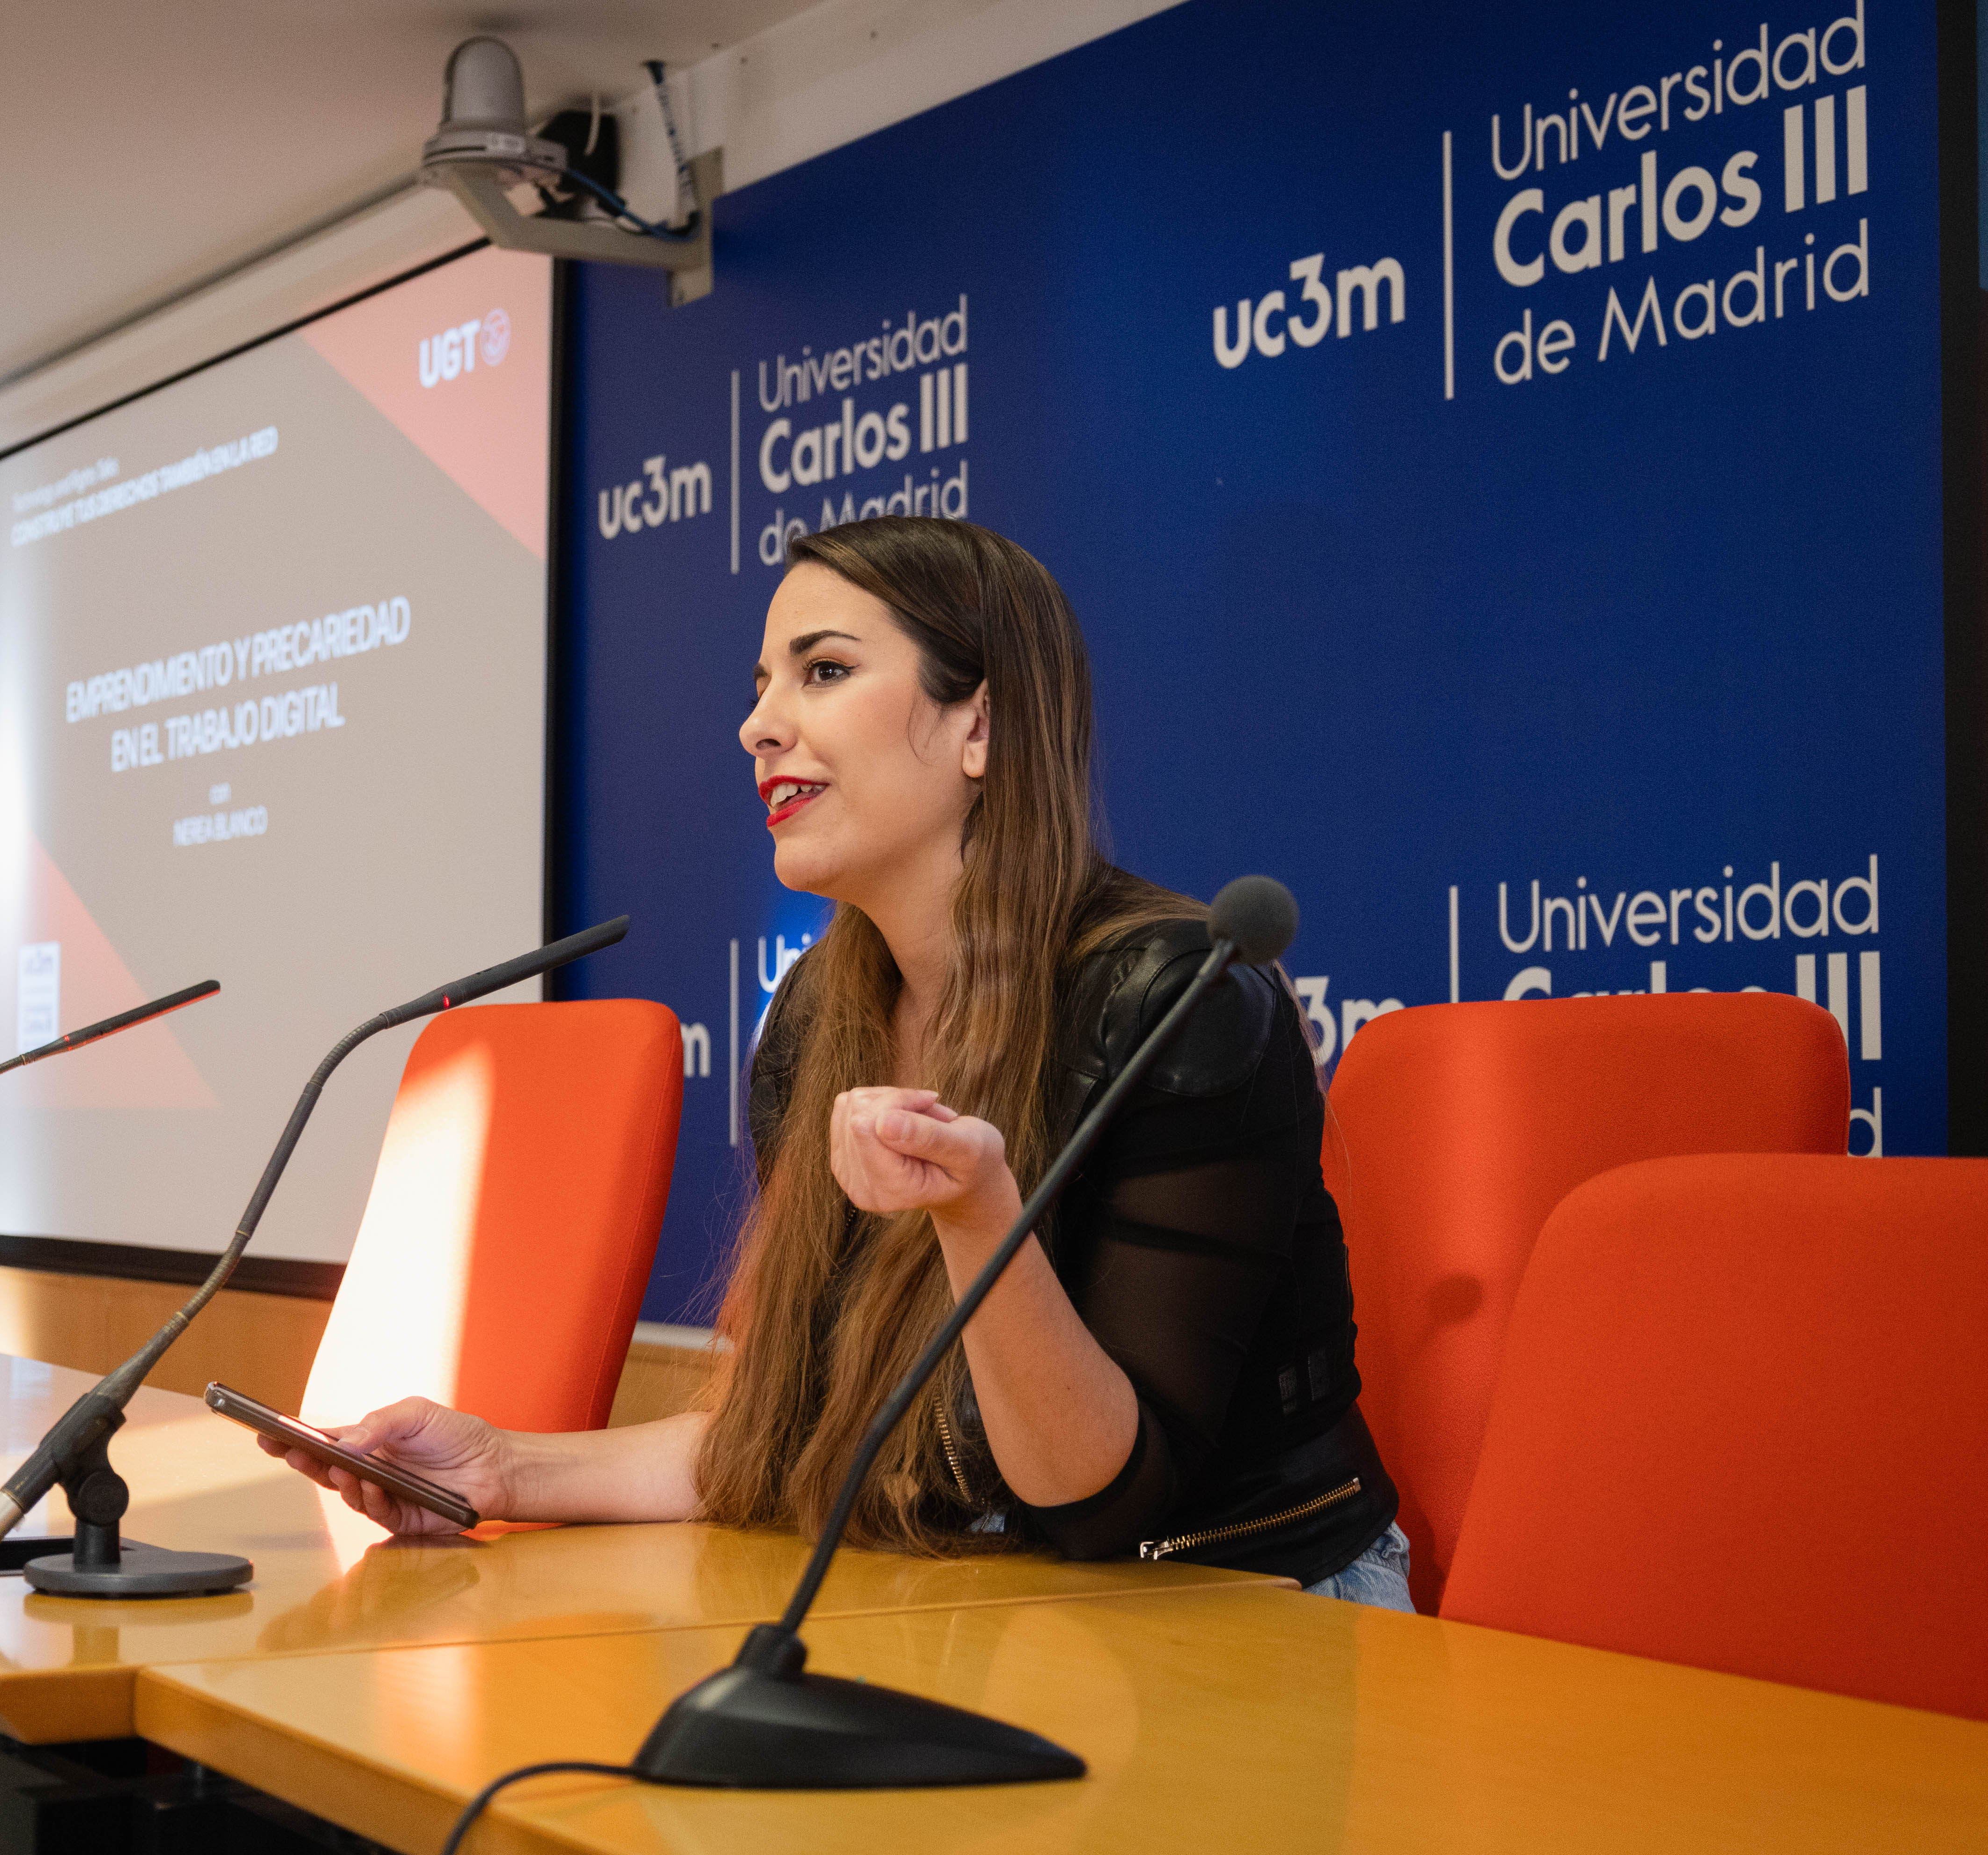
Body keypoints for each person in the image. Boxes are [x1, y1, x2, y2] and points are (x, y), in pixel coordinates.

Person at [262, 515, 1410, 1606]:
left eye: (821, 672)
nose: (757, 726)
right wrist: (503, 1469)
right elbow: (786, 1431)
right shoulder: (820, 1013)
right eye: (759, 686)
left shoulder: (1180, 1001)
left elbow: (1099, 1502)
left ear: (982, 728)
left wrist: (974, 1214)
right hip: (978, 1599)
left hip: (1255, 1606)